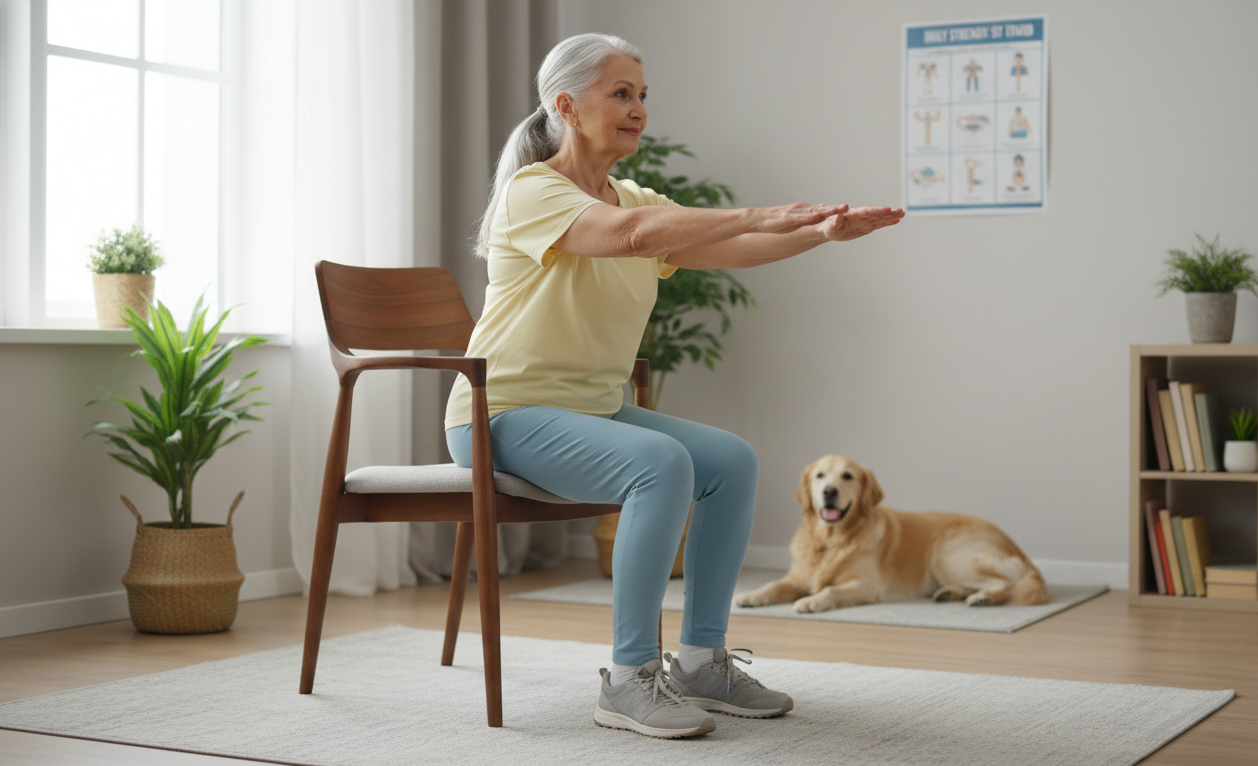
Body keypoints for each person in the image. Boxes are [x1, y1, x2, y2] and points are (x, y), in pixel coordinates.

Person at [444, 33, 903, 739]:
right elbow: (630, 235)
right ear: (566, 106)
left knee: (730, 462)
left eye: (642, 95)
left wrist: (820, 232)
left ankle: (700, 664)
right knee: (660, 463)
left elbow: (726, 247)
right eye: (620, 94)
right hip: (501, 413)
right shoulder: (534, 192)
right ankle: (629, 678)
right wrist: (765, 211)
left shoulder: (631, 197)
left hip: (591, 410)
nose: (639, 109)